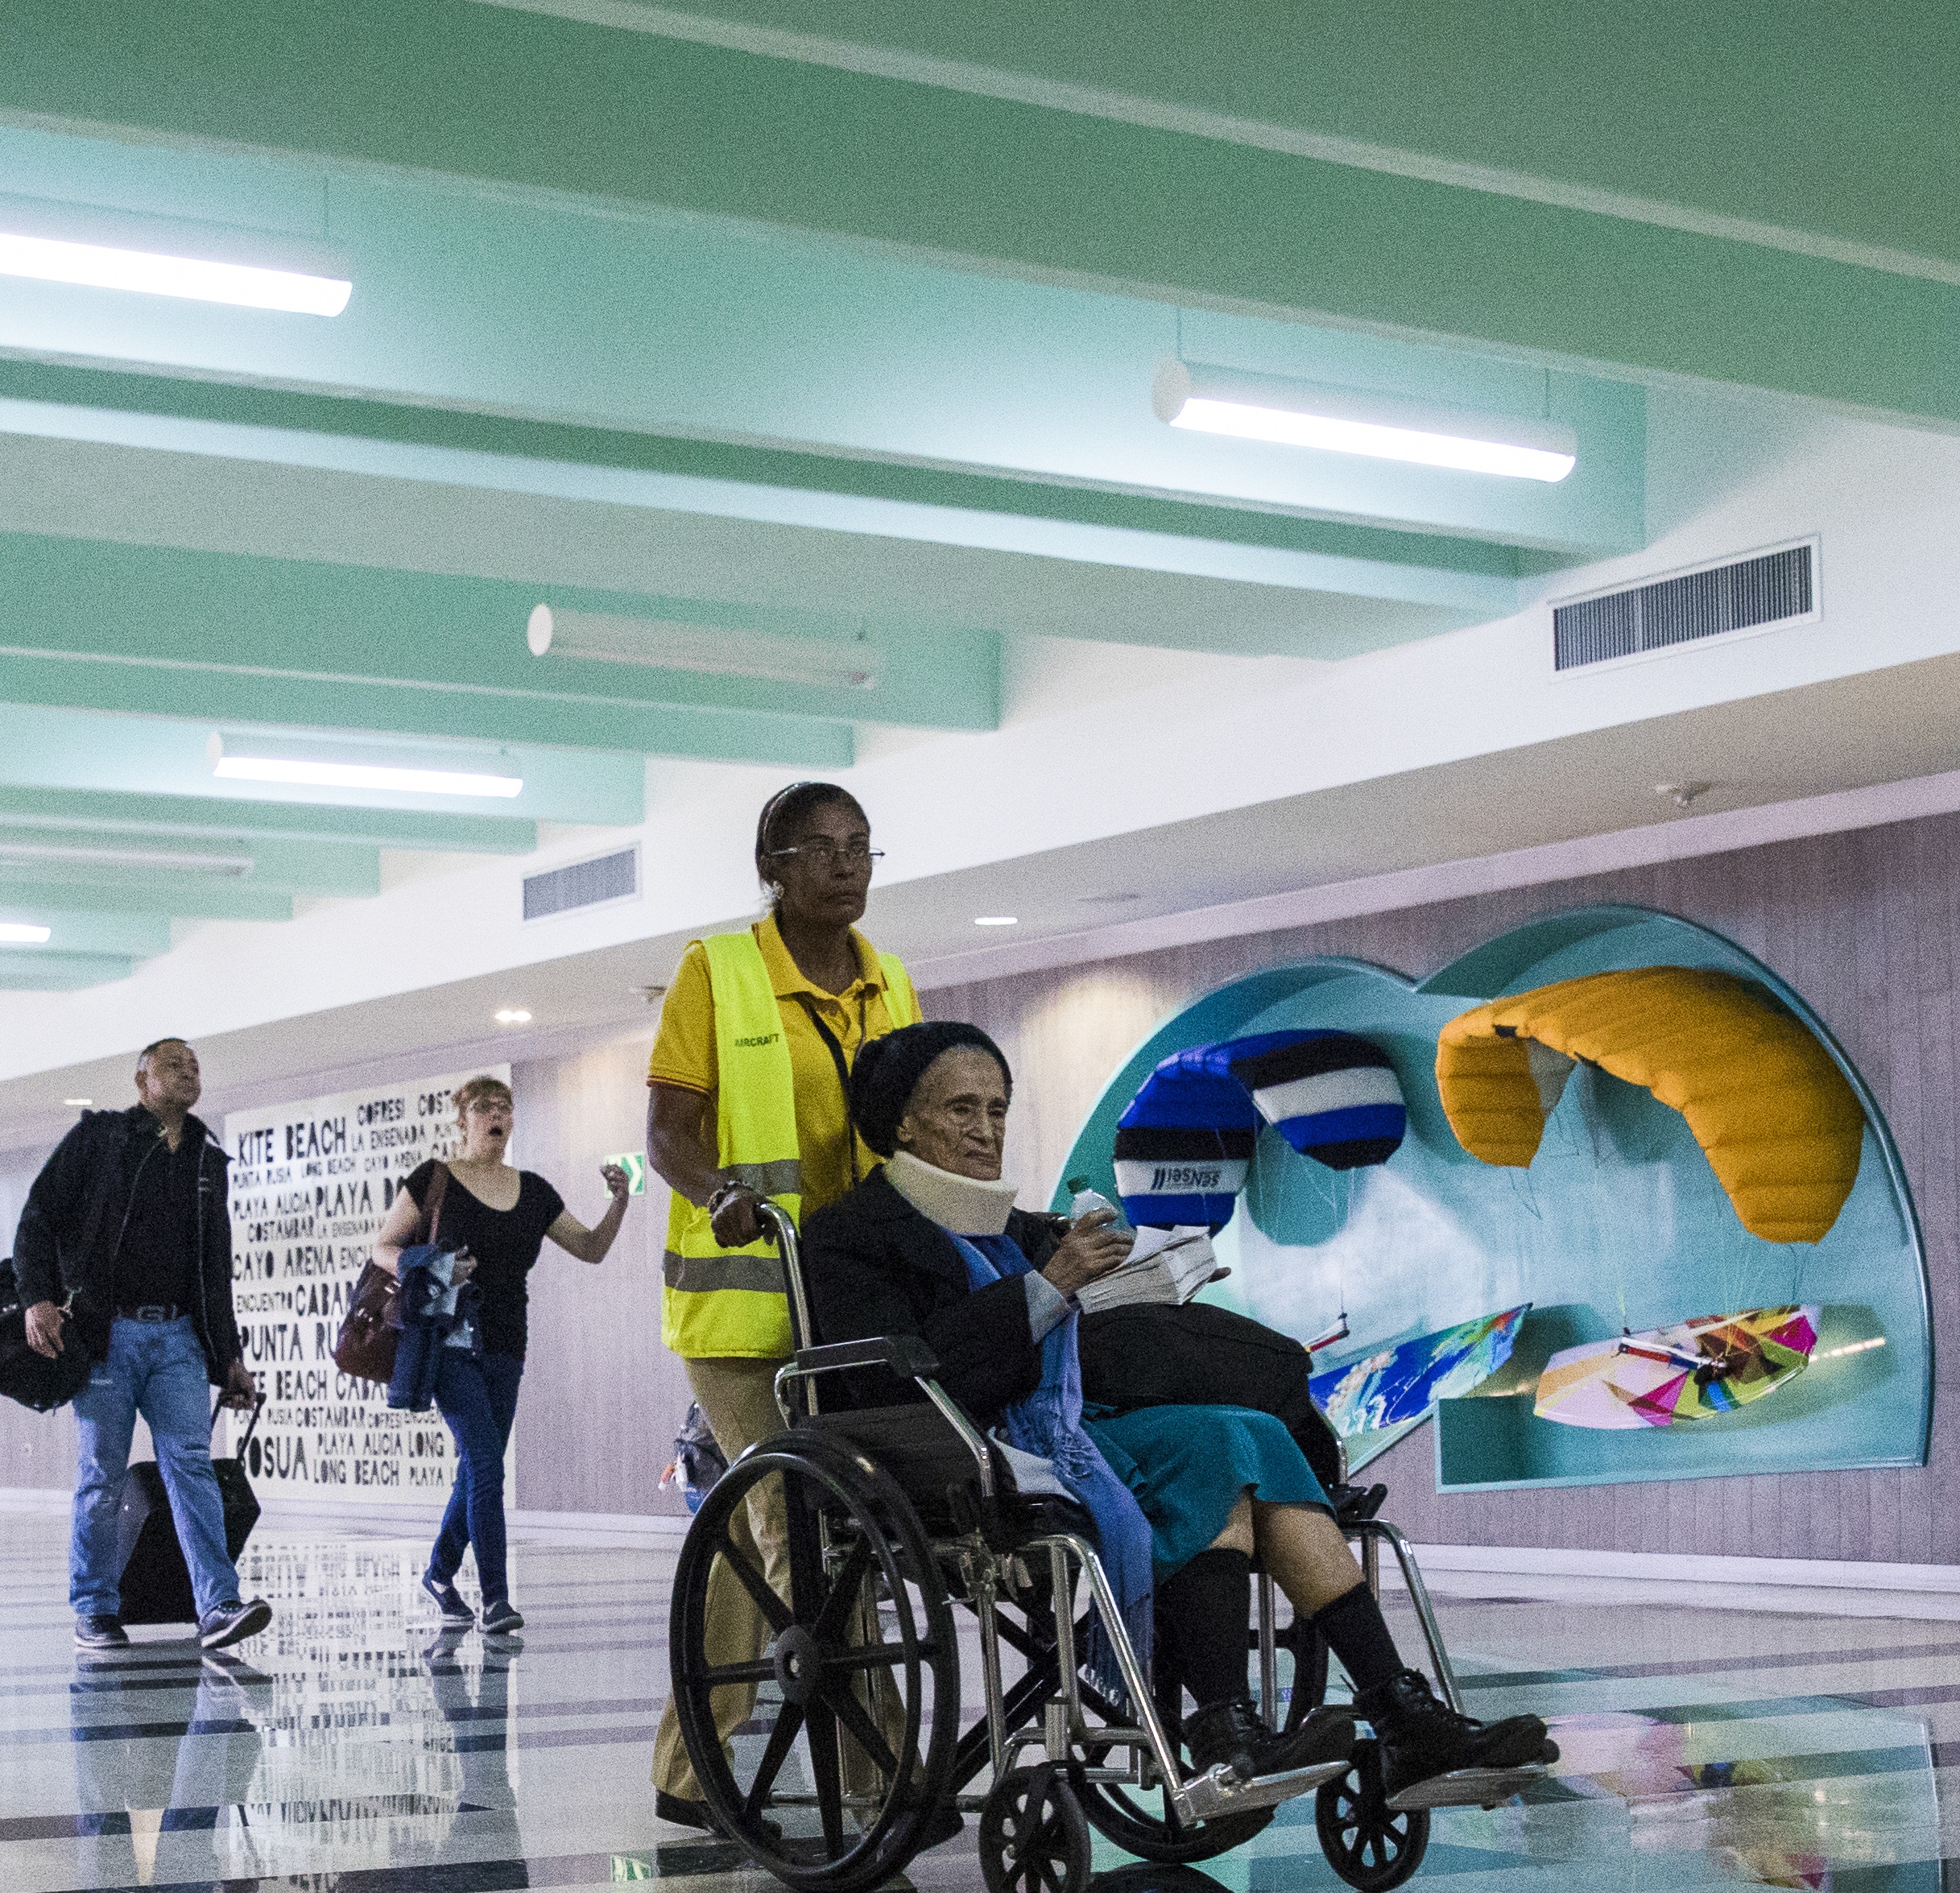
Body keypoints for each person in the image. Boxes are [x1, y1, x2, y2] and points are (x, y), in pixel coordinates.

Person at [800, 1021, 1553, 1794]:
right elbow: (892, 1379)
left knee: (1244, 1433)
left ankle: (1396, 1713)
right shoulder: (850, 1236)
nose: (986, 1130)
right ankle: (1229, 1721)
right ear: (900, 1122)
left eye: (997, 1109)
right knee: (1220, 1447)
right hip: (964, 1449)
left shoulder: (1019, 1229)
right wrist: (1048, 1287)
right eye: (962, 1110)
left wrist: (1137, 1285)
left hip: (1082, 1425)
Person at [641, 780, 918, 1821]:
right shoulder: (715, 973)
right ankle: (879, 1771)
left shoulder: (892, 983)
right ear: (774, 864)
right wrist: (721, 1194)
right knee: (800, 1524)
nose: (846, 865)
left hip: (846, 1309)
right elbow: (670, 1128)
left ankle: (685, 1769)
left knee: (755, 1536)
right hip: (740, 1312)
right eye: (822, 848)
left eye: (862, 847)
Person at [15, 1035, 269, 1654]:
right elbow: (38, 1216)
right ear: (141, 1080)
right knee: (101, 1469)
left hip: (178, 1336)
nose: (189, 1071)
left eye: (195, 1065)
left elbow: (216, 1264)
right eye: (174, 1063)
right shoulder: (101, 1140)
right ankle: (96, 1608)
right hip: (107, 1334)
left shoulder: (208, 1159)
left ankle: (217, 1604)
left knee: (190, 1461)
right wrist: (37, 1297)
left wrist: (227, 1356)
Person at [370, 1075, 633, 1634]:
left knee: (476, 1466)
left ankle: (439, 1573)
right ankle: (496, 1599)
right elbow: (384, 1247)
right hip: (450, 1340)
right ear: (461, 1120)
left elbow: (590, 1248)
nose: (496, 1115)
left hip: (509, 1343)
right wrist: (436, 1266)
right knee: (488, 1463)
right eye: (484, 1107)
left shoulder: (533, 1190)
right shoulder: (435, 1179)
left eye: (505, 1107)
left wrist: (620, 1202)